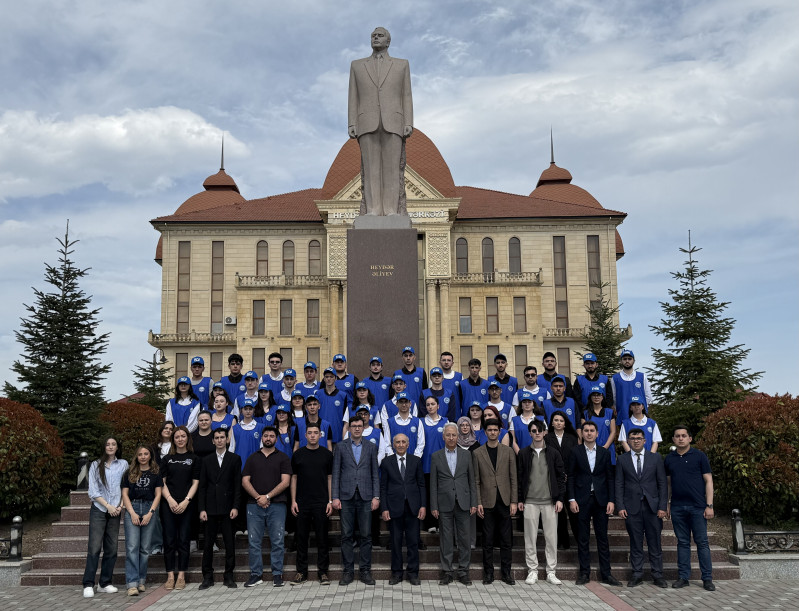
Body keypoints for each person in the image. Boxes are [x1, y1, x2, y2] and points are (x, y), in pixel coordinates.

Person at [348, 27, 413, 216]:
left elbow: (406, 95)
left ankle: (392, 210)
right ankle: (373, 209)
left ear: (388, 41)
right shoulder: (357, 66)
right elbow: (353, 96)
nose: (376, 38)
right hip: (366, 121)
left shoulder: (401, 65)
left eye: (380, 35)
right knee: (370, 169)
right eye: (373, 36)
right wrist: (352, 122)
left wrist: (408, 122)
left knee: (393, 169)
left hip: (394, 121)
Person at [567, 420, 620, 586]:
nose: (589, 433)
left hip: (601, 500)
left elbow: (610, 478)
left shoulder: (604, 453)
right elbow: (571, 476)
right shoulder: (575, 451)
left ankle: (606, 574)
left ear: (597, 434)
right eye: (586, 430)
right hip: (581, 500)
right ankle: (584, 573)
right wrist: (571, 499)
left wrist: (611, 500)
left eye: (592, 431)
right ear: (582, 434)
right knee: (583, 538)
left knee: (602, 538)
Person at [616, 428, 668, 588]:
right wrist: (620, 506)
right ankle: (637, 574)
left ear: (645, 441)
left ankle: (657, 575)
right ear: (628, 441)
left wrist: (662, 506)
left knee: (655, 543)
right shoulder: (622, 459)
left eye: (639, 438)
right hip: (632, 507)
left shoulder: (655, 458)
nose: (636, 441)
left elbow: (662, 483)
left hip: (653, 507)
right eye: (633, 438)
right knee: (635, 543)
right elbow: (619, 484)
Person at [665, 425, 715, 591]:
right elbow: (668, 484)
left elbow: (708, 481)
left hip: (698, 507)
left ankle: (707, 578)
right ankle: (683, 577)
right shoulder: (669, 459)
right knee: (682, 543)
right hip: (678, 507)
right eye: (677, 436)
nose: (681, 438)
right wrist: (667, 504)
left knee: (702, 542)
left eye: (684, 436)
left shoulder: (699, 456)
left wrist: (709, 505)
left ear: (690, 438)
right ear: (673, 439)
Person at [332, 417, 380, 586]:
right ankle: (348, 571)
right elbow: (336, 473)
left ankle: (365, 571)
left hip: (366, 496)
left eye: (360, 426)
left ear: (363, 428)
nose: (357, 429)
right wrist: (335, 497)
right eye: (354, 426)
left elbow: (375, 474)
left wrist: (376, 496)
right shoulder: (340, 447)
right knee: (346, 535)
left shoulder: (371, 447)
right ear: (349, 428)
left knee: (366, 535)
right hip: (346, 496)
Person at [241, 427, 292, 588]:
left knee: (277, 540)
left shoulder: (283, 458)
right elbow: (245, 481)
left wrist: (267, 497)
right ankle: (256, 575)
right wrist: (259, 497)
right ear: (261, 438)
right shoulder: (252, 458)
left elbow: (286, 482)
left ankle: (277, 574)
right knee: (254, 541)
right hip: (254, 505)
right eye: (265, 436)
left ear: (276, 439)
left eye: (271, 436)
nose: (268, 438)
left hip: (277, 505)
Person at [518, 420, 566, 585]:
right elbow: (520, 478)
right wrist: (520, 499)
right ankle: (532, 571)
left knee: (551, 539)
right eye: (534, 430)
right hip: (530, 501)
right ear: (530, 433)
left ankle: (551, 571)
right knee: (529, 539)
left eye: (540, 430)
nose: (537, 433)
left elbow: (560, 477)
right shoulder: (523, 453)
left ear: (545, 432)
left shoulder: (553, 453)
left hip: (550, 502)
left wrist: (560, 499)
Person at [430, 422, 477, 586]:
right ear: (443, 437)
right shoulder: (436, 456)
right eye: (448, 435)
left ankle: (464, 571)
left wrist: (474, 502)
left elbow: (472, 480)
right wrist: (434, 505)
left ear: (458, 437)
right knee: (446, 538)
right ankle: (447, 571)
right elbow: (433, 484)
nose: (451, 438)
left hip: (463, 502)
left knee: (464, 538)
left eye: (454, 435)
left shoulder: (466, 455)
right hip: (444, 503)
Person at [473, 420, 518, 585]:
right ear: (485, 432)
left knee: (506, 540)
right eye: (489, 430)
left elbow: (513, 478)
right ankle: (488, 573)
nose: (492, 432)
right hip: (487, 502)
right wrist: (478, 502)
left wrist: (514, 501)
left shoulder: (508, 451)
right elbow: (476, 481)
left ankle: (506, 573)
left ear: (499, 432)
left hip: (505, 501)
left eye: (495, 430)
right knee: (488, 540)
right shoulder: (477, 453)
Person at [82, 437, 128, 599]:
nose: (110, 446)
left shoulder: (123, 464)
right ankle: (88, 584)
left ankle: (105, 583)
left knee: (112, 548)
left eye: (113, 444)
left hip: (116, 510)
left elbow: (125, 487)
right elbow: (93, 491)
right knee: (94, 547)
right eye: (108, 444)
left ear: (117, 447)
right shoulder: (96, 465)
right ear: (103, 447)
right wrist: (108, 506)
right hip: (100, 509)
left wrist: (120, 506)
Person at [198, 428, 242, 590]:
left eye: (222, 437)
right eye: (216, 438)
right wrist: (202, 508)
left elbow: (237, 485)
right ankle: (207, 577)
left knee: (229, 544)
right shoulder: (206, 460)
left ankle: (228, 576)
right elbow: (202, 487)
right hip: (210, 508)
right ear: (213, 441)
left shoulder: (235, 459)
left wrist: (236, 506)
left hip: (228, 508)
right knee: (208, 544)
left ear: (227, 439)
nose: (219, 440)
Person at [290, 423, 334, 586]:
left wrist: (330, 500)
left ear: (320, 435)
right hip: (302, 502)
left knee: (323, 538)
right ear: (305, 435)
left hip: (321, 502)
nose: (313, 435)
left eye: (316, 432)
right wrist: (293, 500)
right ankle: (301, 572)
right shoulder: (298, 455)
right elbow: (294, 478)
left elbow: (330, 478)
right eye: (310, 433)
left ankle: (323, 572)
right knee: (301, 538)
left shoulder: (327, 455)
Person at [381, 434, 426, 585]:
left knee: (413, 542)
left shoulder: (416, 461)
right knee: (395, 542)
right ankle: (396, 573)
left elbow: (421, 485)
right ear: (393, 445)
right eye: (398, 442)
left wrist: (423, 505)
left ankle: (413, 573)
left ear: (408, 444)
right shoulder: (386, 462)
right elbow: (383, 487)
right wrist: (384, 508)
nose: (400, 445)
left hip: (413, 507)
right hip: (394, 507)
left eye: (403, 442)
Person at [161, 426, 200, 590]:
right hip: (168, 504)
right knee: (169, 540)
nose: (180, 439)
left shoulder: (194, 458)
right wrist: (170, 499)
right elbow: (161, 483)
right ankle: (170, 576)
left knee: (184, 540)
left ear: (187, 438)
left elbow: (195, 483)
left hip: (187, 505)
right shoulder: (166, 459)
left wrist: (186, 501)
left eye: (183, 436)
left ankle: (181, 576)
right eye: (177, 437)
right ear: (173, 439)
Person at [121, 445, 162, 596]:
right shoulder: (129, 473)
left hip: (149, 508)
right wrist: (132, 513)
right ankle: (132, 583)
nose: (143, 457)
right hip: (133, 508)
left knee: (145, 548)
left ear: (150, 456)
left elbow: (158, 495)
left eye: (146, 454)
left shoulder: (155, 473)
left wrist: (150, 513)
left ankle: (141, 581)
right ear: (136, 457)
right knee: (132, 547)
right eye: (140, 454)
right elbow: (124, 494)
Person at [545, 411, 580, 550]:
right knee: (558, 512)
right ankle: (563, 541)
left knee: (574, 512)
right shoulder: (547, 438)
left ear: (565, 423)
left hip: (571, 478)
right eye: (556, 420)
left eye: (561, 420)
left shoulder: (572, 438)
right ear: (552, 423)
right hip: (554, 479)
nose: (558, 423)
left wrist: (569, 474)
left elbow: (576, 458)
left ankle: (580, 541)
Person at [420, 395, 447, 533]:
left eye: (432, 404)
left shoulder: (446, 422)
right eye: (428, 404)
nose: (430, 406)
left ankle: (441, 523)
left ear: (438, 406)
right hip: (426, 463)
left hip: (442, 464)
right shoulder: (420, 422)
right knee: (429, 494)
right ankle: (430, 524)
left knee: (442, 495)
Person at [610, 349, 653, 424]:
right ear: (621, 361)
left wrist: (641, 409)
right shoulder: (615, 378)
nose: (627, 361)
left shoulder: (642, 376)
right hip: (623, 416)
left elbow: (648, 396)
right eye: (624, 359)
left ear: (634, 361)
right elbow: (613, 398)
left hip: (640, 417)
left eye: (629, 359)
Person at [381, 391, 425, 458]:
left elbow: (421, 443)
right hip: (394, 461)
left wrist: (414, 459)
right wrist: (394, 459)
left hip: (413, 460)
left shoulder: (417, 422)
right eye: (401, 402)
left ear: (410, 404)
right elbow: (387, 444)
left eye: (406, 402)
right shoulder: (390, 422)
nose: (404, 405)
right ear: (397, 404)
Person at [582, 386, 617, 465]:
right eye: (594, 395)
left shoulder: (609, 412)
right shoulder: (585, 413)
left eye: (598, 395)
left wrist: (605, 447)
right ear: (590, 397)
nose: (596, 397)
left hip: (608, 448)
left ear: (602, 397)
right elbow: (583, 432)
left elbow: (613, 432)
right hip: (591, 450)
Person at [317, 366, 349, 443]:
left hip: (337, 435)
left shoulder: (343, 395)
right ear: (324, 379)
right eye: (326, 377)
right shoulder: (318, 394)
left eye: (331, 377)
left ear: (336, 378)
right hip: (321, 435)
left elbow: (346, 418)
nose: (329, 379)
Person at [438, 351, 463, 419]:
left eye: (449, 360)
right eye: (444, 360)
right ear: (440, 362)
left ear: (452, 363)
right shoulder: (435, 377)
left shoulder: (459, 376)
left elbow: (462, 396)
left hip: (456, 415)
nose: (446, 362)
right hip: (439, 415)